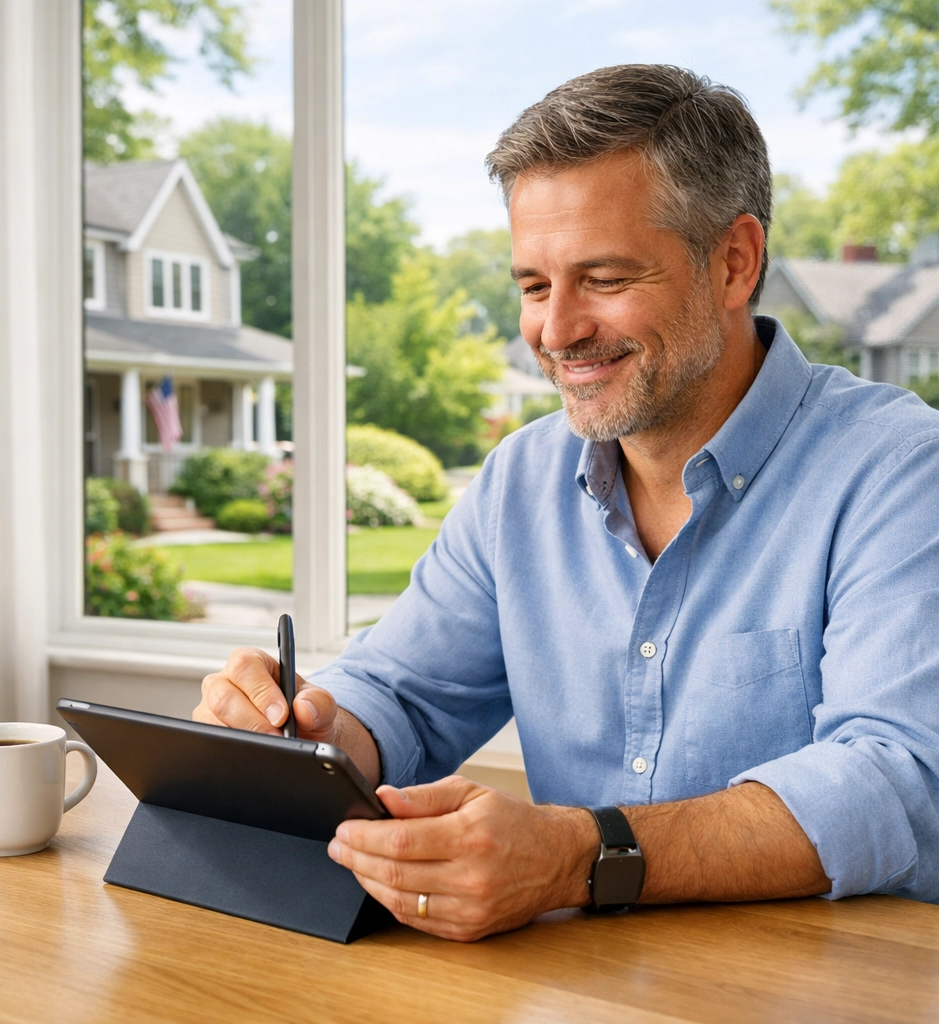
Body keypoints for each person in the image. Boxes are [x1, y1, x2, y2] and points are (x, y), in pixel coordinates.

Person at [194, 65, 939, 941]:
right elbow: (404, 691)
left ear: (734, 262)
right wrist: (304, 731)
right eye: (534, 286)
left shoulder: (898, 469)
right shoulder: (519, 482)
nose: (556, 331)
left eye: (606, 278)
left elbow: (902, 779)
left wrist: (583, 855)